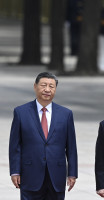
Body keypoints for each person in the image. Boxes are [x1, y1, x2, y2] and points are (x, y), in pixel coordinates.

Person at [9, 72, 78, 200]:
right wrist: (15, 171)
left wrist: (72, 173)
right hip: (30, 174)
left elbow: (71, 147)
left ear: (55, 89)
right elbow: (15, 146)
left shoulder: (66, 114)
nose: (47, 89)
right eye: (43, 85)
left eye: (51, 86)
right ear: (35, 86)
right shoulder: (21, 112)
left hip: (56, 175)